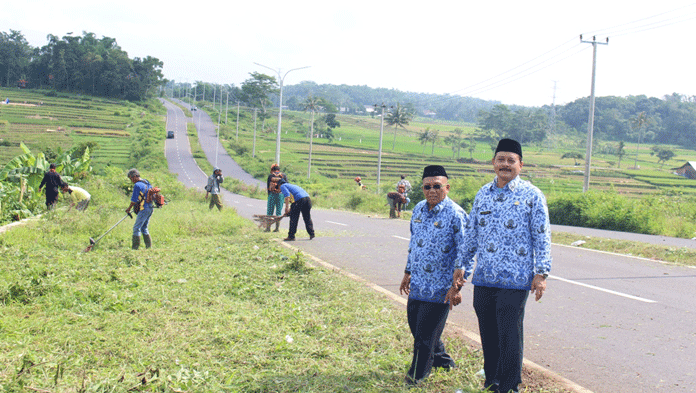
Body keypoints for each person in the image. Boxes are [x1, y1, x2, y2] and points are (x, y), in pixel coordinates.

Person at [454, 138, 552, 393]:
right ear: (493, 163)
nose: (505, 165)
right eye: (501, 160)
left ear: (520, 165)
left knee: (509, 333)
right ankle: (492, 381)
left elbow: (542, 235)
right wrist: (461, 266)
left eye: (511, 160)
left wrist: (541, 274)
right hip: (484, 278)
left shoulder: (532, 195)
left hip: (516, 279)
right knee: (488, 333)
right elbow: (472, 234)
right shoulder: (482, 194)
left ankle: (509, 386)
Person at [399, 165, 468, 386]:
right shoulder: (418, 209)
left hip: (440, 289)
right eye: (427, 186)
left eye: (437, 186)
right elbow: (414, 245)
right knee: (416, 326)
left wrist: (456, 288)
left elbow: (465, 254)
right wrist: (407, 272)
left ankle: (416, 377)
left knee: (424, 336)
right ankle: (443, 361)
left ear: (447, 187)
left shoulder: (456, 214)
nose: (432, 191)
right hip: (418, 284)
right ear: (422, 188)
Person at [124, 169, 155, 250]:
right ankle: (148, 247)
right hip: (150, 208)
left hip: (144, 208)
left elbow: (134, 200)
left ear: (134, 176)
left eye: (131, 178)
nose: (131, 181)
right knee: (144, 227)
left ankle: (135, 248)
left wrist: (128, 209)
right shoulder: (146, 182)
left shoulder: (137, 185)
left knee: (136, 228)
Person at [266, 164, 286, 232]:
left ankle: (268, 228)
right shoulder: (283, 175)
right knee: (278, 212)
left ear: (272, 170)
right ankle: (277, 228)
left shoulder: (270, 176)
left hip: (272, 195)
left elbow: (268, 186)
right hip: (280, 195)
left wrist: (269, 195)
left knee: (269, 211)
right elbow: (286, 185)